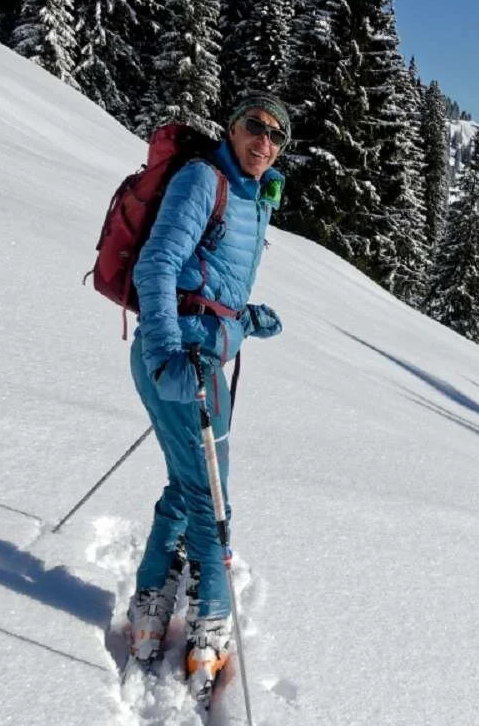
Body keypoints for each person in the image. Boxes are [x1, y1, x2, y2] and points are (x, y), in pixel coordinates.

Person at [126, 93, 290, 692]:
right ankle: (212, 623)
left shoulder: (251, 197)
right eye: (256, 126)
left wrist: (247, 319)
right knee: (211, 500)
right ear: (233, 127)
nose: (265, 141)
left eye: (277, 136)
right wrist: (167, 354)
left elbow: (210, 280)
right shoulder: (204, 179)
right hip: (181, 362)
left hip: (199, 359)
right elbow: (158, 266)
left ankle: (150, 600)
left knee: (191, 482)